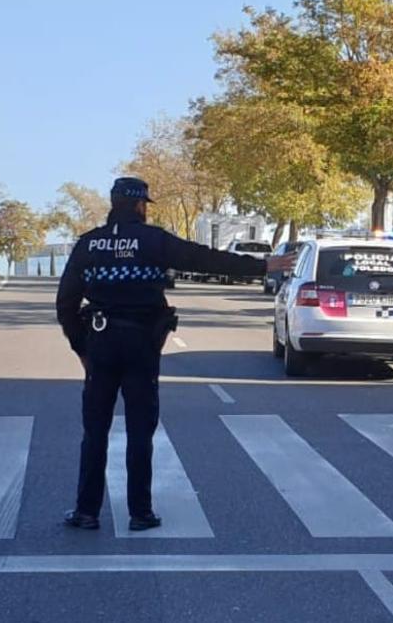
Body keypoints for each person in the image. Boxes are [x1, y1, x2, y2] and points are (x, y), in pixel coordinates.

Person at [56, 177, 291, 532]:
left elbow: (65, 303)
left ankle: (86, 512)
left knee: (95, 431)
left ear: (113, 203)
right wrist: (262, 266)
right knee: (139, 430)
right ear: (139, 206)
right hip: (141, 345)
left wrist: (81, 348)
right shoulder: (154, 241)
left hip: (101, 342)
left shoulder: (88, 244)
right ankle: (140, 512)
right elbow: (205, 259)